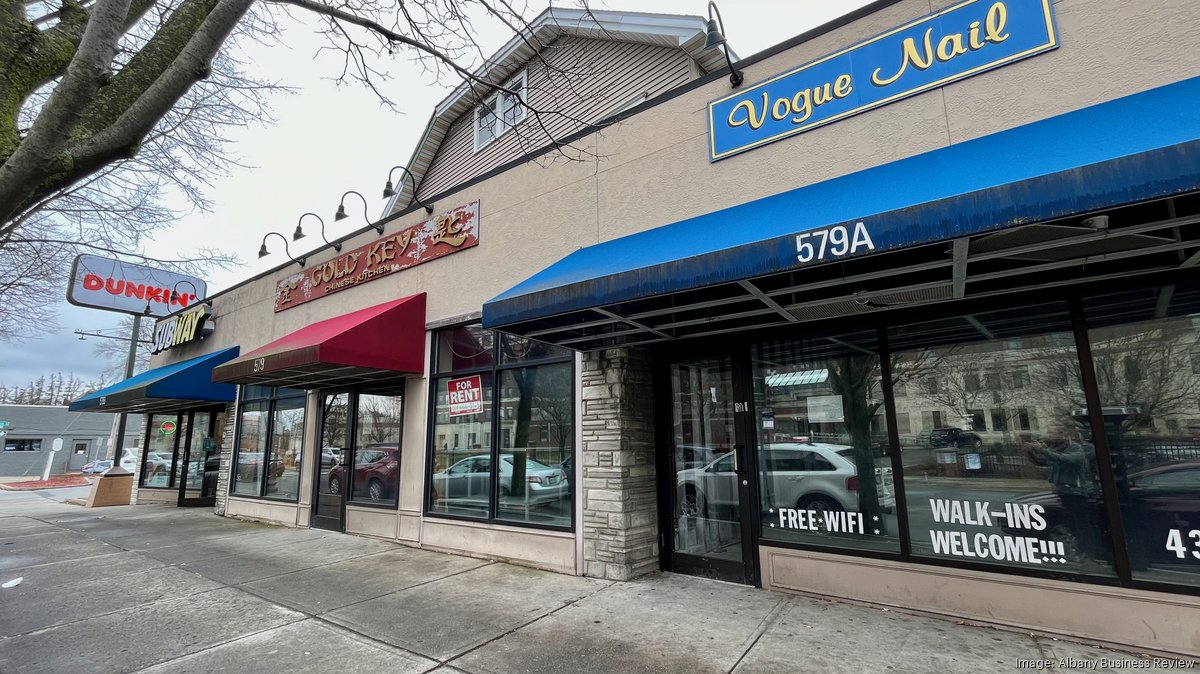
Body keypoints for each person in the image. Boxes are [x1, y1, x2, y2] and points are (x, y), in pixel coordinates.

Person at [1026, 425, 1107, 565]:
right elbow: (1043, 461)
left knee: (1083, 524)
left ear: (1064, 434)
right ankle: (1083, 551)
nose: (1049, 436)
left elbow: (1067, 460)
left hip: (1078, 492)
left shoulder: (1077, 448)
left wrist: (1043, 450)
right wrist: (1030, 452)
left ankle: (1091, 553)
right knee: (1074, 524)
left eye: (1052, 433)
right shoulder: (1055, 450)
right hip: (1065, 492)